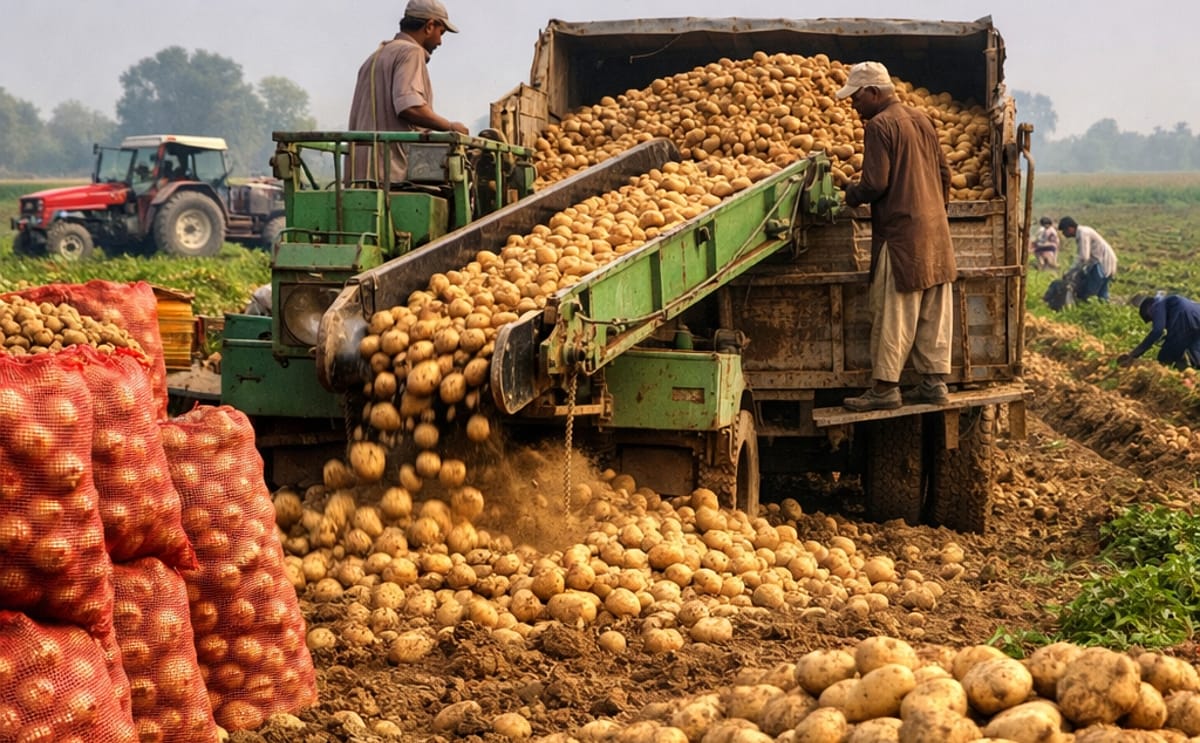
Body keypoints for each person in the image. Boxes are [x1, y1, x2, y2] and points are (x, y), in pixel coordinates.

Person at [836, 61, 958, 411]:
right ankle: (934, 383)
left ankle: (885, 389)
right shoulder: (923, 119)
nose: (853, 106)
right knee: (933, 310)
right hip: (936, 234)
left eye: (856, 99)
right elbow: (945, 173)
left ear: (873, 93)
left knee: (895, 311)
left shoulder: (880, 125)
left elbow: (875, 183)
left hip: (901, 235)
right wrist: (934, 212)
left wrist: (850, 193)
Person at [346, 0, 469, 185]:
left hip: (358, 176)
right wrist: (451, 127)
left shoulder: (374, 57)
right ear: (429, 26)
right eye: (441, 32)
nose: (440, 42)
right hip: (390, 176)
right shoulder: (411, 52)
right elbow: (410, 107)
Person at [1117, 293, 1200, 370]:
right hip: (1196, 317)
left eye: (1152, 319)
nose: (1154, 321)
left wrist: (1135, 353)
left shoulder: (1158, 306)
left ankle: (1166, 376)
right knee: (1195, 356)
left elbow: (1157, 331)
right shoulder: (1170, 305)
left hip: (1185, 318)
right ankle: (1189, 376)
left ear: (1149, 310)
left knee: (1165, 356)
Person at [1058, 216, 1117, 302]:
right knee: (1102, 294)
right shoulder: (1083, 232)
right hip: (1105, 261)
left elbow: (1083, 257)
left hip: (1102, 262)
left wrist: (1070, 272)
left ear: (1070, 228)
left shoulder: (1083, 233)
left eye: (1064, 231)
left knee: (1090, 293)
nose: (1063, 234)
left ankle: (1089, 313)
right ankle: (1103, 311)